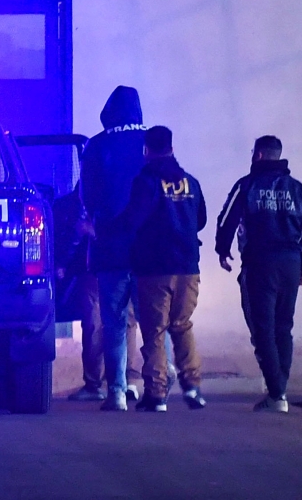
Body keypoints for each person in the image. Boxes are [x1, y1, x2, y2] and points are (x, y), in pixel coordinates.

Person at [103, 126, 207, 412]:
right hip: (188, 267)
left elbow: (130, 221)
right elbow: (200, 221)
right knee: (182, 325)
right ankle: (193, 387)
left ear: (146, 150)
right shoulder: (191, 183)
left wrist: (98, 229)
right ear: (172, 148)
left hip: (155, 269)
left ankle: (157, 394)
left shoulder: (146, 181)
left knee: (155, 331)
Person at [216, 135, 302, 413]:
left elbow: (226, 219)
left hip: (260, 263)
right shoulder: (298, 189)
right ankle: (278, 391)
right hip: (290, 263)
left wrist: (222, 249)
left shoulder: (247, 185)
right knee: (284, 327)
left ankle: (277, 393)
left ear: (258, 155)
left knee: (262, 329)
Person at [79, 86, 148, 411]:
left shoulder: (97, 145)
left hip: (110, 248)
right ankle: (157, 382)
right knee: (151, 319)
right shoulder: (152, 142)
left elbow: (88, 197)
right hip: (151, 251)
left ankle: (116, 391)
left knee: (114, 321)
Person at [55, 186, 142, 402]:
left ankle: (96, 384)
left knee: (95, 323)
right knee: (125, 322)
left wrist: (63, 263)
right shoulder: (126, 192)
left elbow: (77, 233)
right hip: (124, 265)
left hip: (94, 269)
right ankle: (127, 381)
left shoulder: (84, 197)